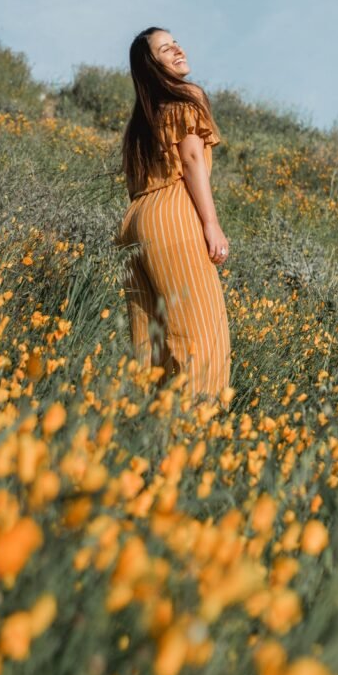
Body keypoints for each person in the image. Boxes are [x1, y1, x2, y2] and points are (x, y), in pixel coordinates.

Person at [118, 27, 231, 398]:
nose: (177, 49)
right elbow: (192, 158)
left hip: (136, 222)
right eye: (166, 49)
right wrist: (211, 224)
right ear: (153, 65)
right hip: (172, 216)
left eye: (175, 42)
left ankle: (140, 427)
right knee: (199, 333)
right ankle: (193, 432)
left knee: (149, 343)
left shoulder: (141, 122)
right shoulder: (188, 96)